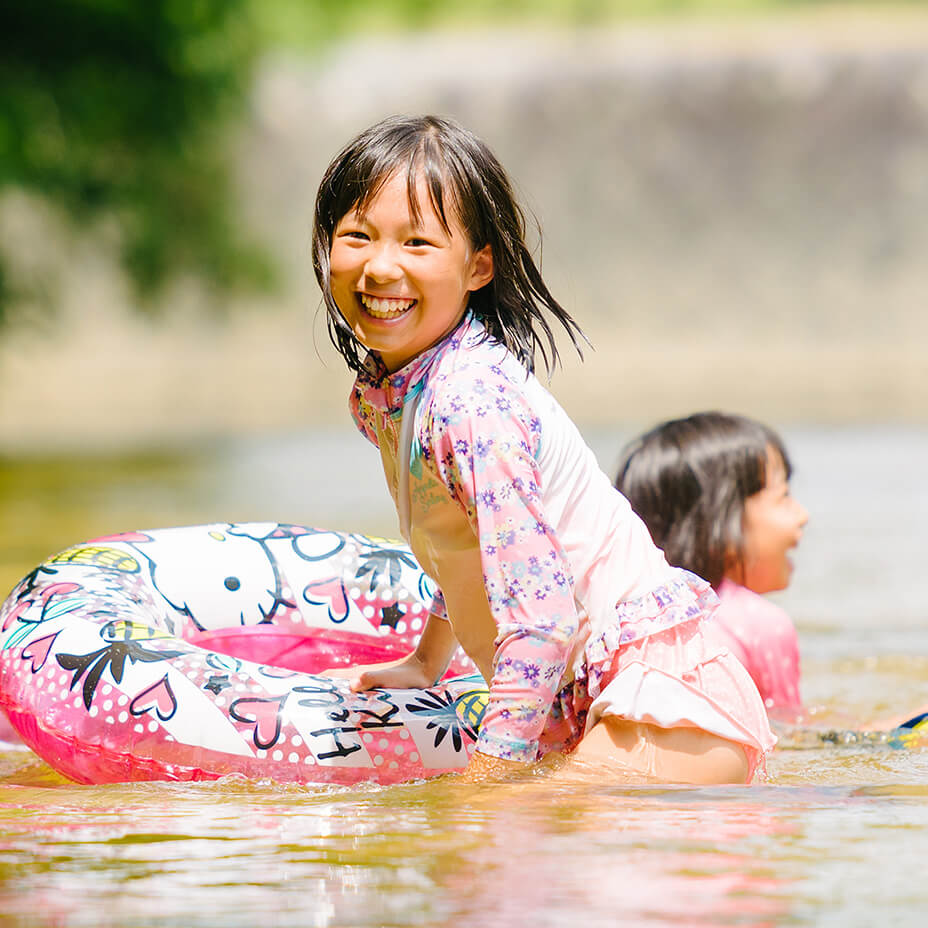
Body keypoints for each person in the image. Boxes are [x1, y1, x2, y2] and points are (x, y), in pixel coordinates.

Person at [312, 114, 774, 783]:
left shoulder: (468, 402)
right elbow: (474, 545)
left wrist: (493, 773)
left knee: (501, 835)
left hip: (662, 704)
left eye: (416, 243)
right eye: (358, 236)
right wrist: (425, 662)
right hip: (611, 698)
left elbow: (544, 614)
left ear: (477, 267)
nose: (381, 267)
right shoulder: (395, 392)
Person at [614, 412, 809, 721]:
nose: (802, 515)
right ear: (722, 522)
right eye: (783, 497)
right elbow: (791, 738)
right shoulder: (761, 625)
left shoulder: (626, 621)